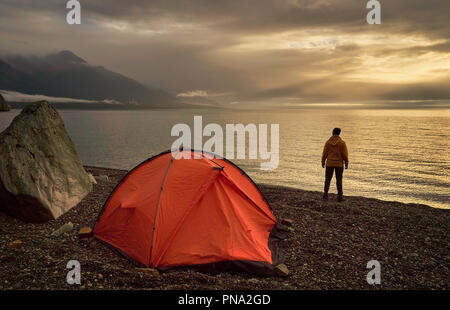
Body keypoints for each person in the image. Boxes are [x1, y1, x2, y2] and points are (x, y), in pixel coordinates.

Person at [321, 128, 349, 202]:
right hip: (339, 164)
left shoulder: (328, 142)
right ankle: (339, 197)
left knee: (327, 180)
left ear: (333, 132)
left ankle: (325, 195)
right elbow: (345, 155)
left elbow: (324, 153)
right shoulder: (342, 143)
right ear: (339, 133)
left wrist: (323, 162)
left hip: (329, 163)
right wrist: (346, 163)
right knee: (339, 180)